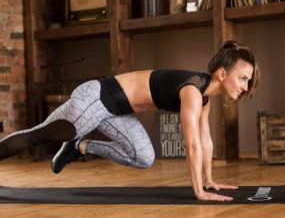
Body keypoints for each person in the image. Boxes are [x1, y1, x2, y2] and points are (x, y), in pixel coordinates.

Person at [0, 41, 259, 201]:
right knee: (38, 135)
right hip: (96, 98)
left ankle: (78, 147)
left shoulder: (204, 97)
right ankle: (71, 141)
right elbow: (191, 147)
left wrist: (209, 180)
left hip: (118, 111)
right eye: (243, 78)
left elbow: (206, 140)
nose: (246, 87)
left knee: (143, 157)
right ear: (223, 74)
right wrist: (199, 192)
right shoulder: (192, 90)